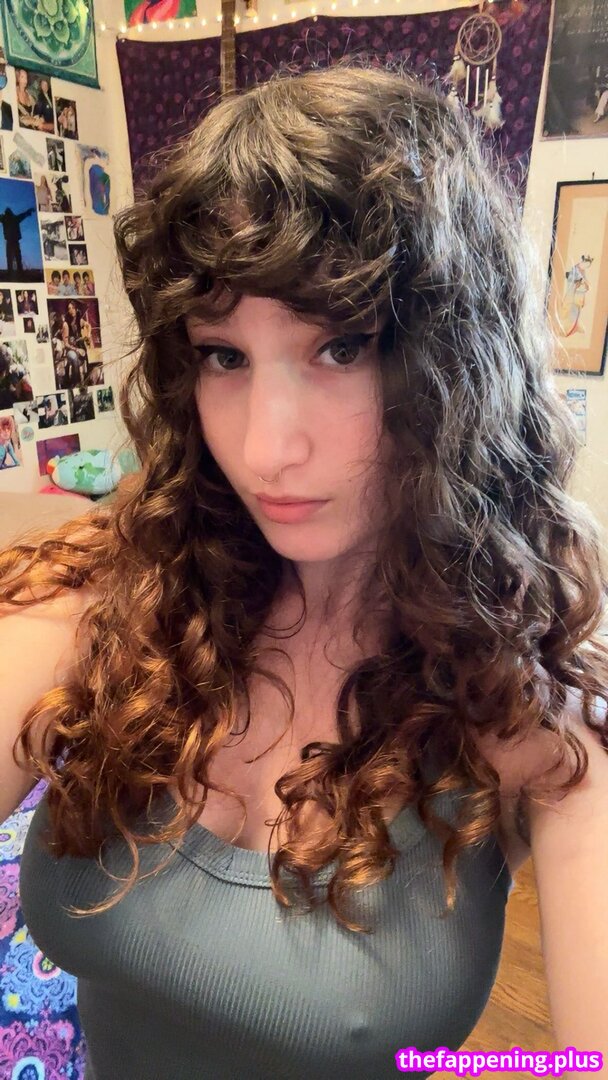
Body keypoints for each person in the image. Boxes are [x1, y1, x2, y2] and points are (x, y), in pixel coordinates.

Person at [1, 62, 608, 1080]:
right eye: (223, 356)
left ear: (455, 367)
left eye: (341, 347)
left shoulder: (528, 700)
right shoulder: (115, 595)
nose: (265, 449)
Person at [0, 205, 34, 275]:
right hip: (14, 241)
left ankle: (13, 271)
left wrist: (28, 211)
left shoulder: (5, 218)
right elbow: (23, 215)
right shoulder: (14, 218)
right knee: (16, 256)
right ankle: (18, 271)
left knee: (11, 257)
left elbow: (23, 215)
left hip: (11, 241)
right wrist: (29, 211)